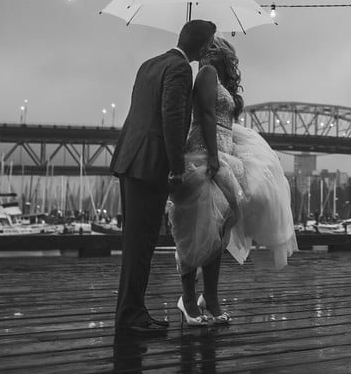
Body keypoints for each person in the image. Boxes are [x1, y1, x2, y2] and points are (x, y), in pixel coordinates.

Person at [168, 36, 297, 327]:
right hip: (204, 153)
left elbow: (225, 120)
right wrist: (214, 157)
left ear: (224, 54)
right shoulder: (205, 74)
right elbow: (208, 116)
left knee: (219, 230)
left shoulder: (220, 81)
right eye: (205, 48)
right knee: (196, 227)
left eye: (212, 48)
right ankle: (187, 299)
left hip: (225, 155)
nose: (206, 53)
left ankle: (210, 297)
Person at [111, 19, 217, 333]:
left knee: (134, 243)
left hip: (130, 159)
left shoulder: (149, 65)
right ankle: (132, 316)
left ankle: (129, 312)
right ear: (202, 46)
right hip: (151, 165)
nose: (211, 48)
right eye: (210, 42)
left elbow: (139, 114)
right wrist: (175, 166)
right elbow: (171, 117)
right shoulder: (182, 69)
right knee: (142, 243)